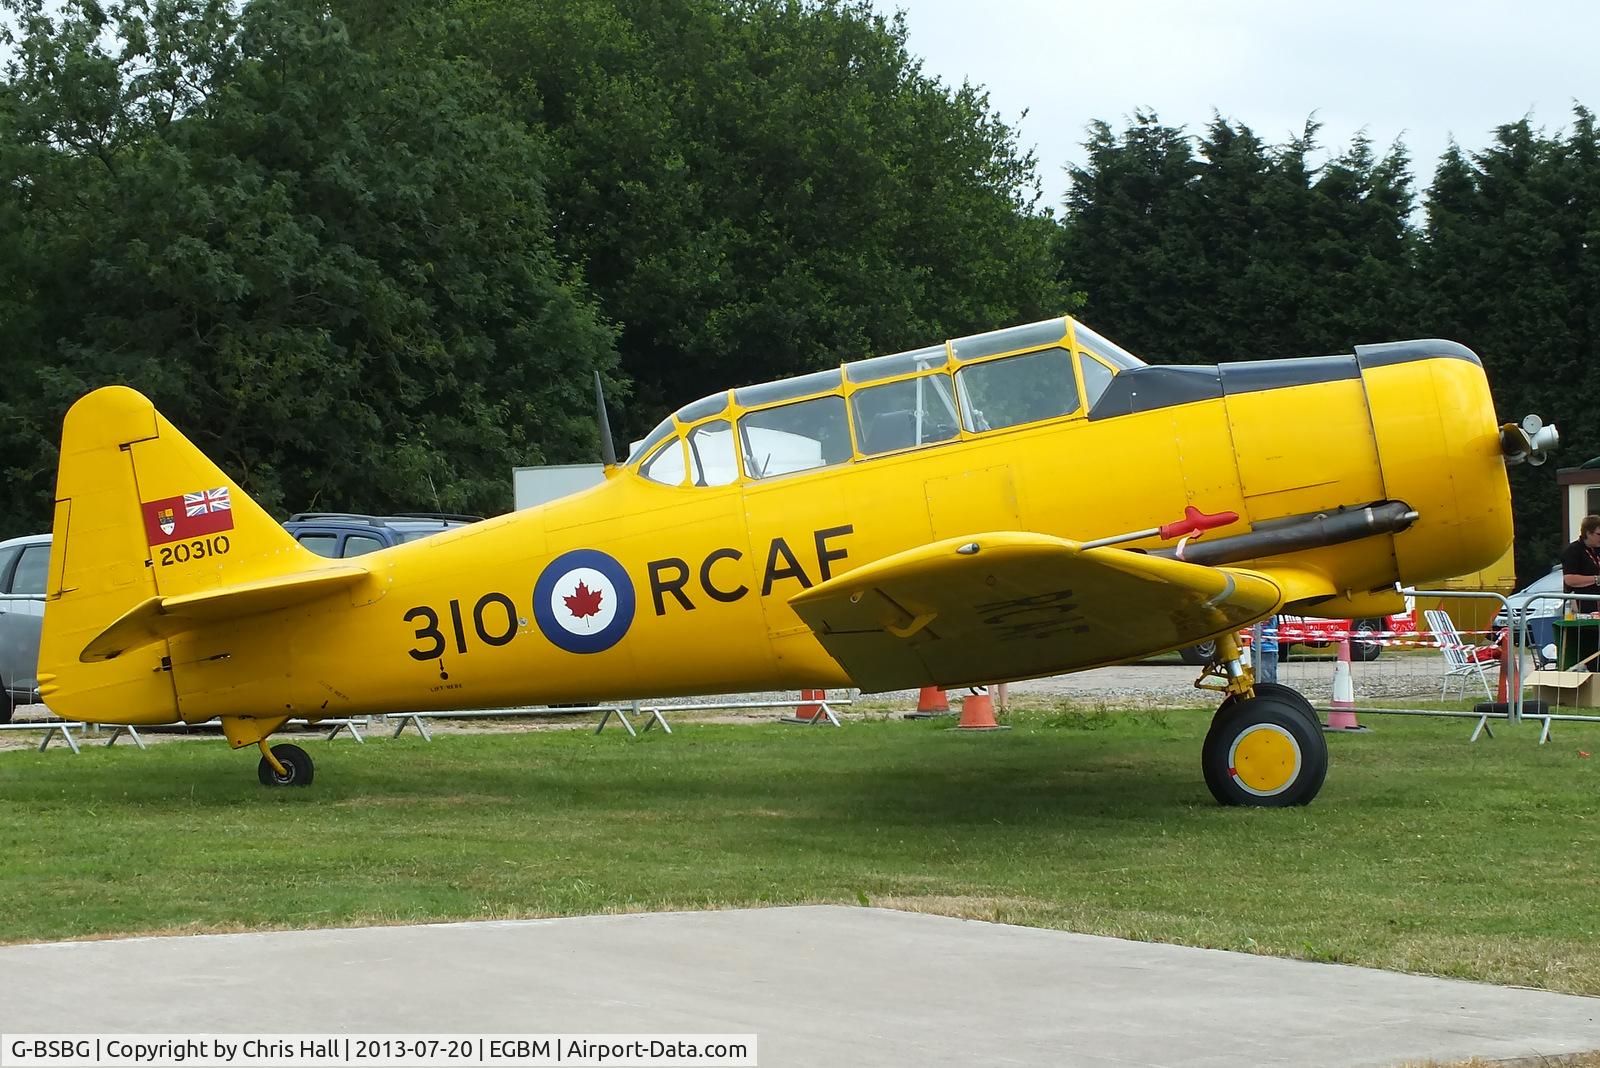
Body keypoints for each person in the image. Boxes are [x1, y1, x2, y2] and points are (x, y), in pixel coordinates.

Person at [1561, 515, 1600, 613]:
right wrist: (1596, 579)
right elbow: (1569, 579)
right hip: (1582, 606)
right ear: (1588, 533)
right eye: (1599, 534)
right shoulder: (1573, 551)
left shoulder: (1597, 549)